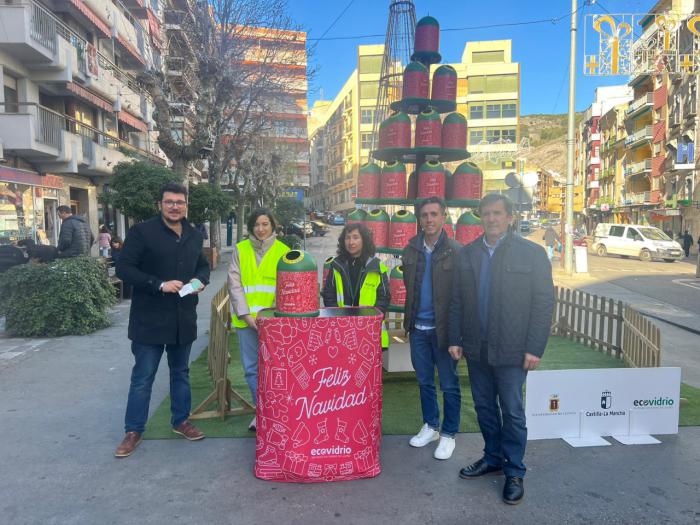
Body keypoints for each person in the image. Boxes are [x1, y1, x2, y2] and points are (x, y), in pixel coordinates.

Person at [448, 194, 554, 505]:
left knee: (512, 411)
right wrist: (456, 338)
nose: (491, 219)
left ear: (509, 217)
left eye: (497, 213)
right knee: (484, 408)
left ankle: (515, 471)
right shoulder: (468, 255)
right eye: (486, 214)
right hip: (477, 348)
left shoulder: (531, 254)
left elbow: (543, 303)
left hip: (513, 350)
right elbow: (457, 301)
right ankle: (493, 457)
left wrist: (534, 348)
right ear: (481, 217)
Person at [114, 182, 210, 458]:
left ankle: (181, 421)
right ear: (160, 204)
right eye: (169, 202)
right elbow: (124, 268)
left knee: (181, 373)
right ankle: (133, 431)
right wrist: (158, 284)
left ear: (186, 205)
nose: (175, 206)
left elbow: (202, 266)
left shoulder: (193, 234)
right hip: (150, 319)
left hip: (183, 318)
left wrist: (199, 281)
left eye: (179, 202)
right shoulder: (142, 232)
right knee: (143, 377)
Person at [402, 196, 462, 460]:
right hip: (418, 328)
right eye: (424, 215)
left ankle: (449, 434)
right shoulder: (411, 248)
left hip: (444, 332)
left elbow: (461, 298)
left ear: (444, 216)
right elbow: (409, 287)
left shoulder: (456, 251)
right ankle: (431, 426)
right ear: (419, 218)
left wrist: (457, 335)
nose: (429, 219)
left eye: (434, 214)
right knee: (424, 381)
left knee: (449, 384)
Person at [227, 208, 289, 431]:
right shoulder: (240, 250)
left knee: (276, 369)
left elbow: (286, 288)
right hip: (246, 321)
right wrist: (246, 315)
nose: (261, 229)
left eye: (265, 224)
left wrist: (270, 318)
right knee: (252, 369)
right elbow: (234, 284)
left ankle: (277, 412)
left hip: (273, 323)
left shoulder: (284, 251)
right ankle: (261, 412)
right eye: (257, 225)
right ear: (251, 227)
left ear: (273, 226)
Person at [322, 223, 390, 348]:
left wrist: (370, 320)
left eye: (355, 237)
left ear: (364, 240)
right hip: (342, 329)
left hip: (369, 331)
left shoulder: (377, 267)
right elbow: (329, 295)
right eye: (347, 238)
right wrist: (340, 320)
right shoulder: (336, 265)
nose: (351, 242)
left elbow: (384, 299)